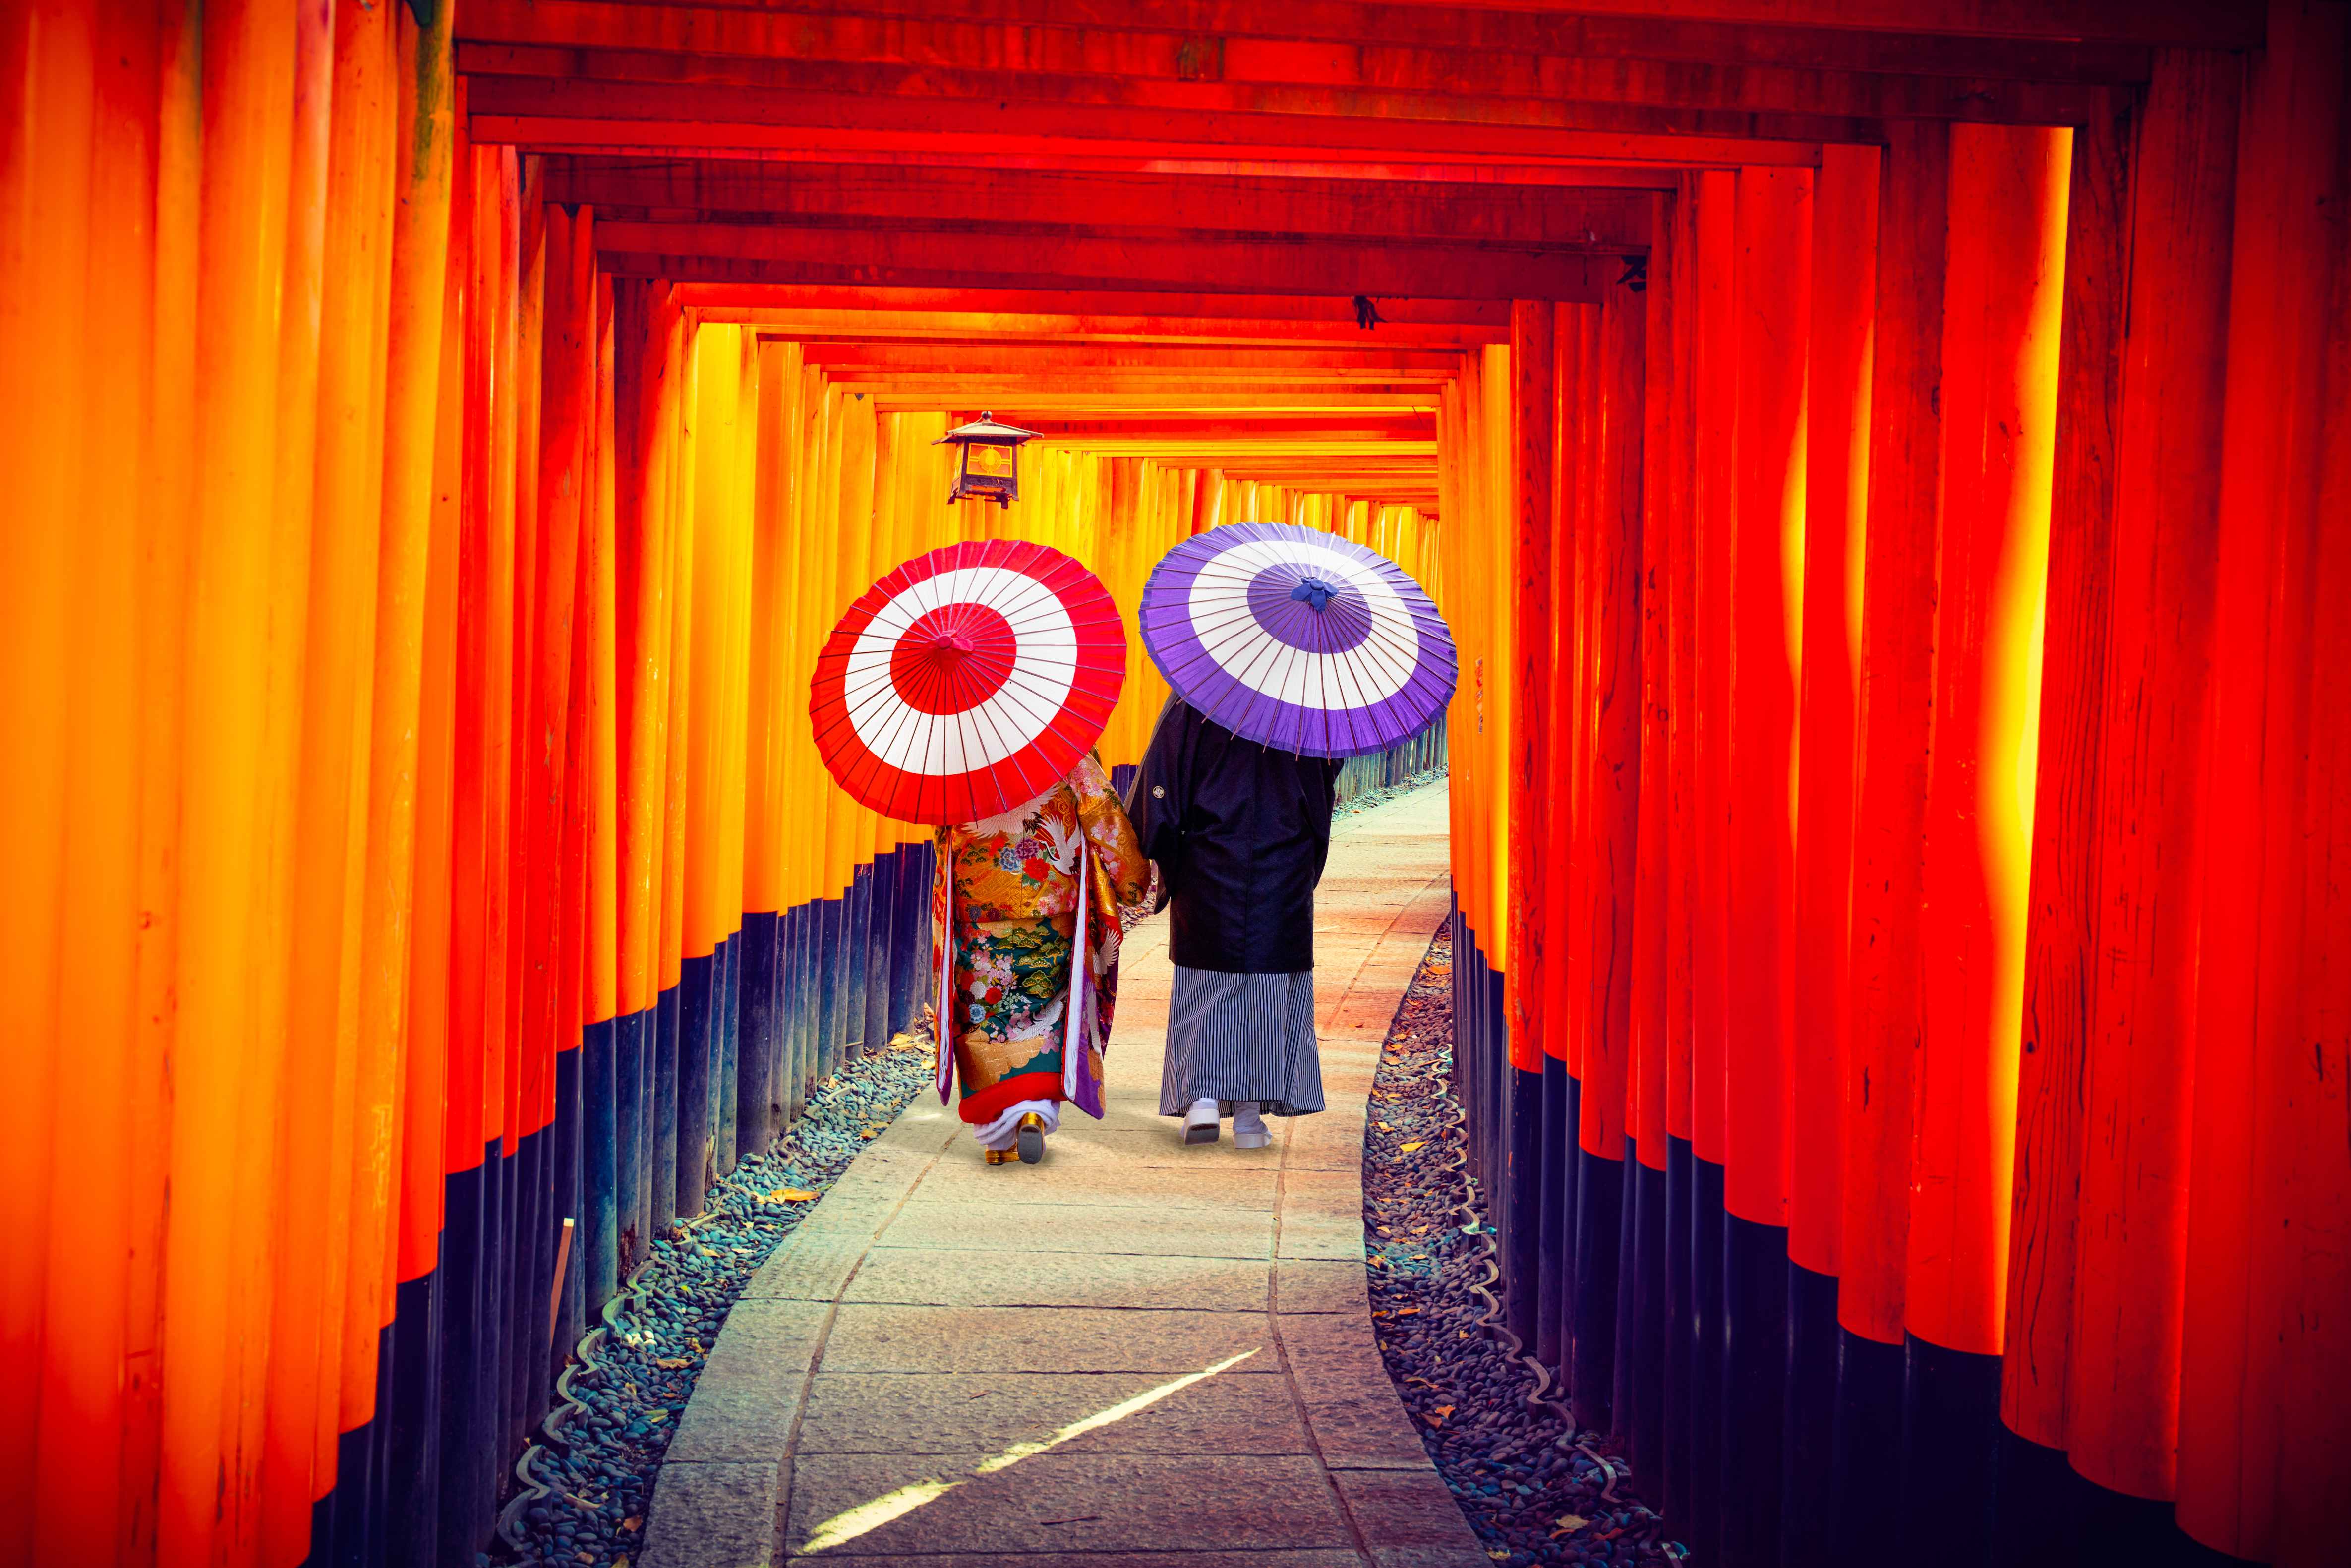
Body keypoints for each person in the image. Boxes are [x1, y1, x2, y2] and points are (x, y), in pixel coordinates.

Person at [1123, 694, 1344, 1149]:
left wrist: (1157, 849)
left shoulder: (1200, 693)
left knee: (1206, 984)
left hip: (1209, 856)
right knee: (1270, 992)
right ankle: (1248, 1119)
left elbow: (1162, 775)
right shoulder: (1310, 698)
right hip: (1284, 856)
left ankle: (1203, 1101)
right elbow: (1326, 775)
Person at [932, 749, 1150, 1164]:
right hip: (1050, 902)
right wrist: (1133, 880)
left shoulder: (959, 749)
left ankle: (997, 1138)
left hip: (980, 909)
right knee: (1047, 1012)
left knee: (985, 1014)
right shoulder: (1064, 745)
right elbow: (1102, 813)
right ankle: (1035, 1110)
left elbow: (944, 830)